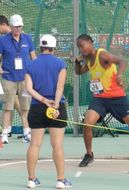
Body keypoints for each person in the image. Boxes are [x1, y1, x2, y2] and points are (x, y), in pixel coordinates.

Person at [75, 34, 129, 167]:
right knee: (87, 123)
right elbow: (79, 72)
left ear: (90, 43)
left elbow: (122, 61)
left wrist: (119, 76)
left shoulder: (102, 55)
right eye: (78, 47)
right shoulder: (88, 59)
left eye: (82, 46)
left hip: (117, 98)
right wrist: (76, 61)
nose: (81, 49)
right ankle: (89, 154)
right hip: (99, 99)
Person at [25, 34, 71, 188]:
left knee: (34, 144)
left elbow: (29, 89)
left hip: (37, 107)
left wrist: (44, 101)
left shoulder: (31, 64)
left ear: (40, 47)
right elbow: (60, 87)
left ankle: (31, 179)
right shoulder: (60, 63)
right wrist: (55, 105)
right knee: (57, 145)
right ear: (54, 47)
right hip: (56, 108)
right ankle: (61, 180)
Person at [0, 14, 36, 144]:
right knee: (7, 106)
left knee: (25, 106)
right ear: (10, 26)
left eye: (20, 26)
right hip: (8, 77)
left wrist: (35, 72)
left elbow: (33, 56)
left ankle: (27, 132)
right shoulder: (3, 40)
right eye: (15, 26)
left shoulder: (27, 38)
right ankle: (4, 134)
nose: (18, 29)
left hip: (25, 78)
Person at [0, 15, 22, 138]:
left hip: (16, 75)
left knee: (12, 100)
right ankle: (8, 128)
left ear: (3, 24)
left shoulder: (19, 37)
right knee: (11, 100)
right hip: (8, 74)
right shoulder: (3, 39)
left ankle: (25, 125)